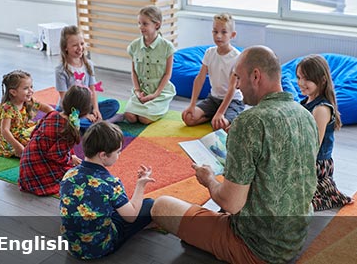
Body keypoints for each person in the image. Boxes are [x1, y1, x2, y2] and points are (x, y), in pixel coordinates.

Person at [151, 46, 319, 264]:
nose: (237, 85)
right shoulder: (305, 116)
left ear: (256, 76)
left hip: (258, 249)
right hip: (295, 237)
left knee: (160, 205)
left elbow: (231, 204)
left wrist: (208, 180)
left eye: (238, 77)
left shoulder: (250, 122)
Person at [59, 121, 155, 259]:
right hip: (100, 248)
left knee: (106, 204)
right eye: (117, 152)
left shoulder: (69, 174)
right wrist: (140, 184)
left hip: (72, 247)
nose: (119, 155)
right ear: (103, 155)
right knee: (149, 204)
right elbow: (131, 216)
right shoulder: (110, 183)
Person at [296, 54, 354, 211]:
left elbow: (313, 148)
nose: (300, 83)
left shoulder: (321, 109)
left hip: (316, 164)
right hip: (304, 157)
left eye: (306, 79)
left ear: (322, 80)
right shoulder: (305, 101)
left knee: (293, 201)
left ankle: (328, 196)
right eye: (299, 77)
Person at [18, 85, 92, 196]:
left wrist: (71, 156)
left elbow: (33, 134)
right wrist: (70, 159)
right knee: (84, 174)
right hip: (39, 175)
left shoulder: (52, 114)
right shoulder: (70, 128)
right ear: (85, 110)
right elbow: (55, 156)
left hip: (26, 168)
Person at [181, 13, 244, 131]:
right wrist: (192, 105)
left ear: (232, 35)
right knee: (188, 118)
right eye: (215, 32)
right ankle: (212, 117)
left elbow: (232, 88)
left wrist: (220, 113)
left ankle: (222, 118)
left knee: (221, 126)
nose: (218, 36)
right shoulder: (210, 53)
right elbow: (199, 79)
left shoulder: (236, 57)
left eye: (224, 32)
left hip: (232, 101)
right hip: (213, 99)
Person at [55, 25, 120, 130]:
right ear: (65, 47)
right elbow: (64, 99)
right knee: (66, 122)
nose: (80, 48)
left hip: (86, 106)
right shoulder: (61, 70)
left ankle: (94, 123)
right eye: (75, 45)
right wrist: (84, 115)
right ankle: (103, 122)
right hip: (69, 110)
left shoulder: (88, 64)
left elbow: (92, 90)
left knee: (114, 104)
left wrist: (96, 109)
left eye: (81, 43)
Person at [124, 5, 176, 124]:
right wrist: (137, 91)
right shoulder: (134, 46)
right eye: (139, 23)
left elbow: (167, 74)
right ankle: (142, 106)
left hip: (159, 92)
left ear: (156, 25)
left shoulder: (167, 47)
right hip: (141, 91)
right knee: (129, 117)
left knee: (144, 119)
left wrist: (155, 94)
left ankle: (162, 106)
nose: (140, 27)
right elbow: (134, 72)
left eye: (144, 24)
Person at [0, 70, 54, 158]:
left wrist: (54, 116)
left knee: (44, 125)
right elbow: (5, 131)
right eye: (26, 88)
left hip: (24, 129)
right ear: (13, 92)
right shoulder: (8, 108)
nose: (31, 91)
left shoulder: (28, 100)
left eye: (31, 87)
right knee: (36, 146)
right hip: (12, 138)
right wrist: (17, 146)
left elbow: (46, 108)